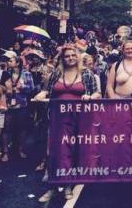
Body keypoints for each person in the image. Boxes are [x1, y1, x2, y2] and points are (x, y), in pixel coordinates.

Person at [34, 45, 102, 202]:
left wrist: (91, 97)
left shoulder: (86, 73)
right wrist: (42, 93)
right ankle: (53, 185)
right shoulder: (57, 72)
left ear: (77, 57)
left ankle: (68, 184)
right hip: (59, 120)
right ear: (62, 58)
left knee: (76, 150)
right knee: (57, 151)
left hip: (80, 119)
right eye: (67, 56)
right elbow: (48, 90)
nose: (71, 58)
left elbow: (97, 92)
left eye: (73, 55)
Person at [1, 54, 34, 162]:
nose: (8, 62)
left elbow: (31, 89)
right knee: (6, 129)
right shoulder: (5, 74)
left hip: (22, 105)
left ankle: (20, 149)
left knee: (21, 129)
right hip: (8, 105)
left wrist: (22, 87)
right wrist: (6, 88)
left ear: (18, 63)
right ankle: (5, 152)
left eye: (11, 60)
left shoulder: (26, 74)